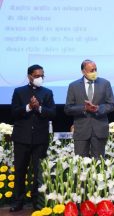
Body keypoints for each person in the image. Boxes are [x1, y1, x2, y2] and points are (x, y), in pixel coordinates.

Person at [10, 64, 56, 212]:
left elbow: (52, 113)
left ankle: (37, 201)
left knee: (38, 172)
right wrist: (29, 107)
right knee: (20, 171)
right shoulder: (19, 91)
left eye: (42, 75)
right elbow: (14, 113)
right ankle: (18, 201)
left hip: (40, 139)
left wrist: (39, 108)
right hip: (22, 138)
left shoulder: (47, 93)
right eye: (37, 76)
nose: (40, 78)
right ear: (29, 76)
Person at [65, 59, 114, 158]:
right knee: (80, 163)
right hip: (81, 131)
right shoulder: (73, 86)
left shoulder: (105, 83)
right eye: (91, 70)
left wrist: (97, 108)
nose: (94, 72)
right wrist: (84, 108)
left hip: (99, 129)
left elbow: (111, 105)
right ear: (83, 71)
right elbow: (68, 108)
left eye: (95, 69)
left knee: (98, 163)